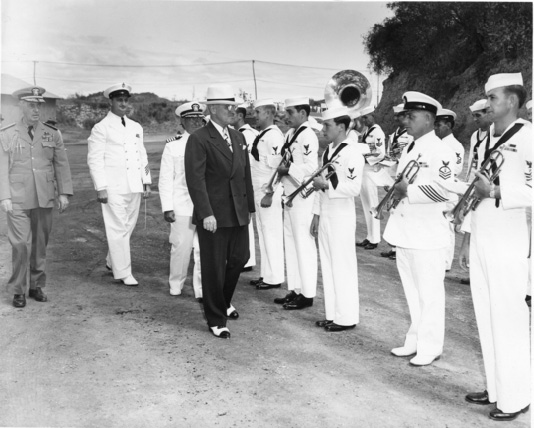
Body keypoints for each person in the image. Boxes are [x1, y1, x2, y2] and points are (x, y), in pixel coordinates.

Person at [458, 73, 531, 421]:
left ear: (514, 101)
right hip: (483, 231)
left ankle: (516, 397)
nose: (487, 103)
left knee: (509, 316)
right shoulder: (481, 137)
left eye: (494, 97)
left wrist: (500, 192)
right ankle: (497, 386)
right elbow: (474, 185)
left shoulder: (529, 137)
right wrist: (467, 232)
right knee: (485, 313)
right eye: (487, 97)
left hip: (509, 234)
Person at [383, 91, 456, 366]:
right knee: (413, 293)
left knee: (430, 294)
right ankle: (414, 340)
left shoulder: (441, 151)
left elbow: (447, 193)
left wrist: (409, 190)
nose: (407, 121)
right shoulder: (411, 148)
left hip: (427, 234)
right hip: (406, 231)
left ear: (428, 118)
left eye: (411, 116)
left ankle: (430, 346)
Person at [184, 84, 255, 339]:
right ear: (213, 109)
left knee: (240, 258)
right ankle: (216, 318)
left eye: (234, 107)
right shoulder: (199, 138)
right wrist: (206, 213)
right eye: (227, 107)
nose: (232, 111)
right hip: (214, 215)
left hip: (237, 212)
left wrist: (250, 209)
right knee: (214, 266)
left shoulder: (238, 137)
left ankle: (222, 302)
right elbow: (196, 180)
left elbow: (244, 174)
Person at [0, 86, 73, 307]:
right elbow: (2, 167)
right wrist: (5, 197)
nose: (36, 109)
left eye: (38, 105)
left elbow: (61, 164)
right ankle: (19, 289)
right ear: (20, 106)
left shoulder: (52, 133)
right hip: (18, 198)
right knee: (21, 244)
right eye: (31, 105)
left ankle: (36, 285)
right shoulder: (7, 133)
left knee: (40, 244)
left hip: (44, 196)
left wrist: (64, 193)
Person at [87, 83, 151, 286]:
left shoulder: (135, 127)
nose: (123, 104)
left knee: (128, 227)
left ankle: (111, 260)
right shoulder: (101, 128)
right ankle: (124, 272)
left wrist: (146, 181)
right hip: (113, 187)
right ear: (111, 102)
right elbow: (94, 159)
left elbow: (142, 155)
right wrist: (101, 186)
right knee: (117, 228)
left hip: (134, 185)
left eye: (126, 100)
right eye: (119, 100)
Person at [310, 106, 365, 331]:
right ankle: (333, 314)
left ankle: (347, 317)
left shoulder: (352, 152)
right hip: (326, 214)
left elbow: (353, 188)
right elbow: (318, 184)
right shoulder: (327, 152)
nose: (323, 130)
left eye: (327, 125)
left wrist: (326, 185)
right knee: (329, 265)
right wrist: (316, 214)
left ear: (341, 127)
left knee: (343, 266)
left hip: (342, 215)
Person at [273, 97, 318, 310]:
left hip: (302, 196)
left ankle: (307, 294)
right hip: (289, 192)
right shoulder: (290, 134)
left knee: (303, 244)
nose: (286, 116)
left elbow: (311, 167)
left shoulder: (308, 135)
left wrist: (288, 170)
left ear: (302, 112)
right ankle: (296, 289)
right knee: (291, 243)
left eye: (290, 112)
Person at [159, 101, 204, 300]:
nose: (195, 122)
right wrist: (167, 207)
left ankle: (201, 289)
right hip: (182, 205)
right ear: (182, 122)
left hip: (205, 206)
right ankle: (176, 284)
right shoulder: (173, 146)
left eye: (198, 118)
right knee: (181, 248)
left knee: (204, 250)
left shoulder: (210, 143)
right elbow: (166, 179)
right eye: (190, 119)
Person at [249, 99, 285, 290]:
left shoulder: (274, 137)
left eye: (258, 112)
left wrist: (270, 193)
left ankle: (275, 277)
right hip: (259, 189)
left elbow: (280, 167)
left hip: (268, 192)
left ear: (269, 114)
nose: (255, 115)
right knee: (263, 234)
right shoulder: (263, 134)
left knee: (271, 234)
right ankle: (266, 274)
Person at [356, 105, 392, 250]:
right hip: (363, 170)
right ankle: (369, 236)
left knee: (372, 205)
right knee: (366, 206)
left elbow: (380, 153)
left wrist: (364, 157)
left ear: (373, 116)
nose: (364, 120)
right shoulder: (368, 132)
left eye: (366, 117)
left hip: (370, 170)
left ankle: (375, 239)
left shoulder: (377, 132)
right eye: (363, 117)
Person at [380, 104, 413, 260]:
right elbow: (389, 155)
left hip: (404, 177)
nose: (395, 119)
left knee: (402, 211)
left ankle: (400, 248)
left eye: (398, 116)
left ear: (406, 116)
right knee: (393, 211)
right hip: (392, 173)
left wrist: (398, 156)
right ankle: (394, 246)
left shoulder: (411, 135)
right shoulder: (393, 135)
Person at [434, 107, 465, 271]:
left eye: (439, 124)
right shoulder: (435, 143)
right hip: (435, 191)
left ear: (448, 125)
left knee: (448, 227)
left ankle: (446, 263)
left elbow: (456, 170)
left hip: (448, 191)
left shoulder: (455, 146)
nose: (436, 128)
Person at [232, 103, 258, 273]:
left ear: (240, 116)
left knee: (245, 223)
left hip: (248, 182)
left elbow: (245, 163)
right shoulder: (243, 133)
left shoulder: (246, 135)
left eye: (232, 113)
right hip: (245, 182)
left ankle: (246, 260)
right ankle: (245, 259)